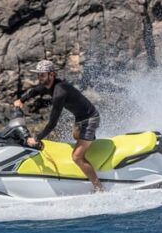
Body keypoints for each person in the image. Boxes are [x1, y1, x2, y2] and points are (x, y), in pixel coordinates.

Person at [14, 60, 104, 192]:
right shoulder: (49, 85)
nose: (40, 78)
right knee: (75, 136)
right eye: (38, 75)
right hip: (80, 118)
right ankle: (87, 142)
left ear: (52, 74)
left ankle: (99, 187)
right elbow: (35, 90)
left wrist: (37, 138)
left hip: (90, 119)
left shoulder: (59, 92)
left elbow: (52, 123)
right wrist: (21, 100)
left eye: (42, 75)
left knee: (76, 157)